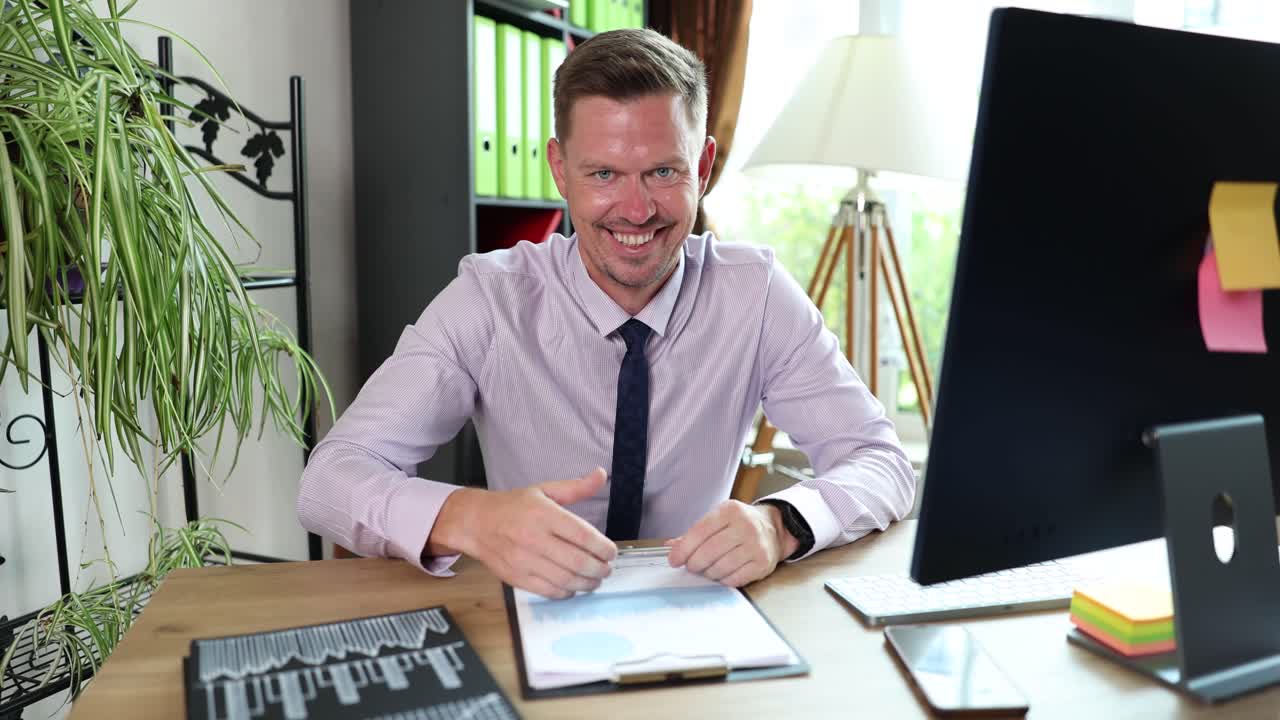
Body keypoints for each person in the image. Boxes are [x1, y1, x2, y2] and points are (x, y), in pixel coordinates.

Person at [298, 28, 915, 599]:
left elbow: (881, 461)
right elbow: (330, 479)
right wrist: (471, 518)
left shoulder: (755, 296)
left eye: (663, 172)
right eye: (604, 173)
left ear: (702, 168)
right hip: (529, 614)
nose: (636, 209)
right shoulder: (488, 299)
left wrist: (779, 524)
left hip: (698, 616)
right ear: (560, 170)